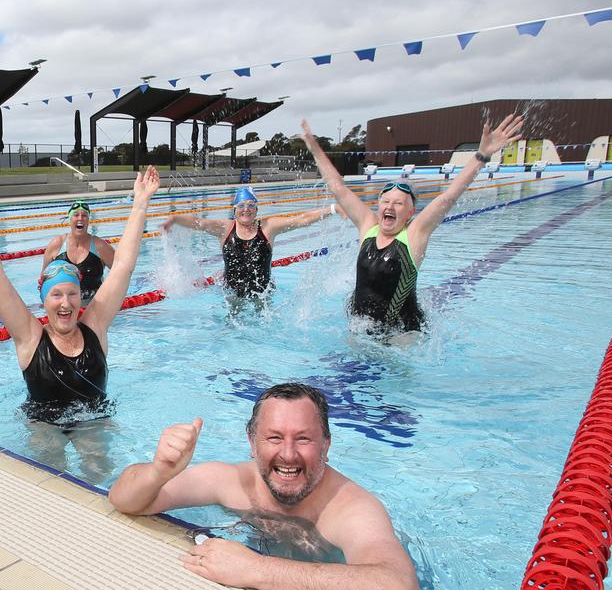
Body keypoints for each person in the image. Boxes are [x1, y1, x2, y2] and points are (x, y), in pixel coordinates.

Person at [108, 383, 419, 590]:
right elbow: (125, 500)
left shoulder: (350, 508)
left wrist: (258, 570)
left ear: (326, 445)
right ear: (252, 442)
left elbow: (398, 582)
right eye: (274, 437)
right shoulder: (230, 482)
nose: (287, 454)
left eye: (303, 439)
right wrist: (159, 471)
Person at [0, 166, 160, 424]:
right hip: (44, 425)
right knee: (47, 458)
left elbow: (122, 267)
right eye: (56, 295)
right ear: (44, 299)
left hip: (95, 421)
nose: (66, 303)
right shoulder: (30, 338)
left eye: (72, 293)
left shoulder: (95, 326)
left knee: (98, 463)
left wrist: (140, 203)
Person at [300, 114, 523, 334]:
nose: (390, 206)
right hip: (359, 327)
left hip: (402, 334)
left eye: (398, 203)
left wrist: (481, 155)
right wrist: (314, 147)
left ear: (410, 212)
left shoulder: (414, 234)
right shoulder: (369, 226)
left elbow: (448, 197)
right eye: (385, 201)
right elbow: (339, 188)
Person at [160, 186, 341, 298]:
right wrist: (175, 219)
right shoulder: (225, 228)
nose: (246, 210)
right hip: (231, 293)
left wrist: (332, 209)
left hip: (262, 294)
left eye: (250, 205)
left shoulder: (268, 227)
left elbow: (302, 219)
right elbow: (199, 223)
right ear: (234, 209)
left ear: (256, 209)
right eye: (241, 206)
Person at [36, 200, 116, 302]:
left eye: (84, 215)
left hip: (93, 306)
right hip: (64, 306)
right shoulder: (57, 244)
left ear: (88, 220)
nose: (80, 218)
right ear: (70, 218)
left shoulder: (100, 246)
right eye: (76, 215)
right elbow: (43, 280)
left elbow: (122, 273)